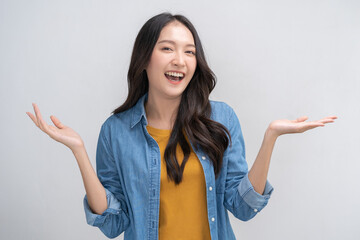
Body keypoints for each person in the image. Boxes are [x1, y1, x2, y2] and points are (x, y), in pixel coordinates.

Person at [26, 12, 337, 240]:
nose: (181, 60)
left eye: (190, 51)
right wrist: (78, 151)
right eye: (167, 48)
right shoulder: (116, 131)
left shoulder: (221, 118)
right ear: (144, 59)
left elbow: (242, 207)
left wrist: (271, 137)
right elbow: (113, 223)